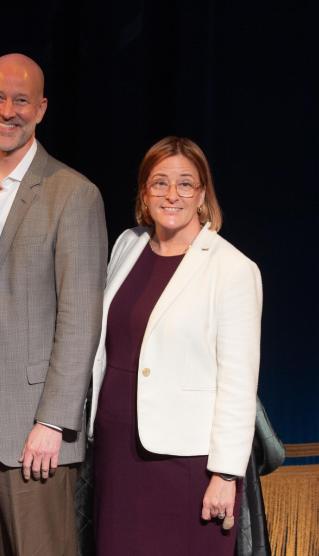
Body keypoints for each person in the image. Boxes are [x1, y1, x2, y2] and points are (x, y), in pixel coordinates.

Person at [0, 53, 108, 556]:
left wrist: (53, 421)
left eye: (21, 101)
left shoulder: (74, 194)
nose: (7, 111)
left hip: (33, 421)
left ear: (42, 109)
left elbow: (80, 320)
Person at [88, 136, 262, 555]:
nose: (172, 194)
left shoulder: (232, 269)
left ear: (202, 194)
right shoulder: (128, 244)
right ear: (144, 192)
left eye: (185, 183)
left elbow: (239, 384)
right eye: (160, 182)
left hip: (187, 465)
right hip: (117, 453)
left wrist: (225, 474)